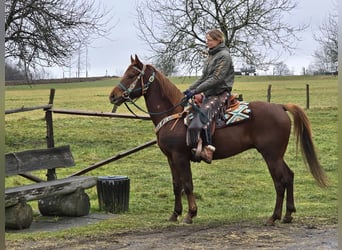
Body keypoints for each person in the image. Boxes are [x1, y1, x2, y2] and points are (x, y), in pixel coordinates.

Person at [183, 29, 235, 164]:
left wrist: (196, 91)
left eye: (209, 39)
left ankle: (207, 150)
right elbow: (204, 78)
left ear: (218, 40)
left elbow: (216, 78)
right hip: (209, 93)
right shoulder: (211, 56)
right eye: (206, 39)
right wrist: (189, 89)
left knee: (203, 115)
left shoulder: (224, 56)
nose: (207, 42)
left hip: (220, 92)